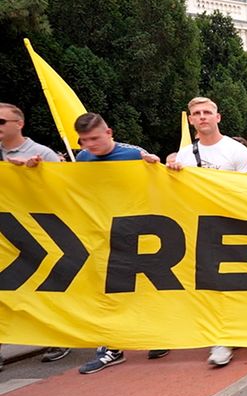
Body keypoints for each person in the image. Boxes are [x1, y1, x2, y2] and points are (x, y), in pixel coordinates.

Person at [46, 113, 168, 373]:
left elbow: (162, 184)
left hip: (138, 232)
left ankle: (156, 337)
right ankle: (111, 347)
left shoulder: (134, 154)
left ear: (109, 132)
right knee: (106, 292)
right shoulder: (83, 158)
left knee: (144, 289)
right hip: (102, 234)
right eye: (83, 140)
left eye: (94, 138)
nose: (89, 145)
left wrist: (156, 166)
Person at [168, 97, 247, 366]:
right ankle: (222, 337)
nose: (203, 116)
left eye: (208, 112)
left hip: (234, 225)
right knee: (211, 284)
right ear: (191, 120)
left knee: (239, 283)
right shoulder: (184, 155)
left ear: (218, 118)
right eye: (197, 113)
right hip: (200, 228)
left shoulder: (236, 151)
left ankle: (241, 328)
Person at [0, 103, 72, 364]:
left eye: (1, 122)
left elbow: (66, 192)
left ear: (19, 124)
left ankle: (57, 338)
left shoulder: (42, 154)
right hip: (5, 234)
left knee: (48, 285)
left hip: (40, 234)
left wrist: (34, 175)